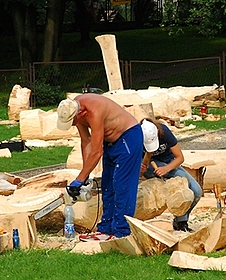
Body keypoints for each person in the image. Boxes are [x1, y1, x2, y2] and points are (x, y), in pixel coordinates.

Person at [56, 94, 143, 241]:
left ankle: (122, 231)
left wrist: (79, 179)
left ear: (81, 113)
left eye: (73, 121)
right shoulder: (73, 108)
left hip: (128, 137)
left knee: (122, 185)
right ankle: (106, 228)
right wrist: (86, 173)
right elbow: (86, 141)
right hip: (110, 141)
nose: (73, 124)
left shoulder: (94, 111)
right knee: (107, 184)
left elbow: (97, 152)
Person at [140, 118, 203, 232]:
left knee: (196, 191)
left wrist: (166, 168)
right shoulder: (136, 136)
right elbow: (139, 166)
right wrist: (141, 168)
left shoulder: (164, 131)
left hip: (169, 163)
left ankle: (181, 221)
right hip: (151, 165)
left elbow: (180, 157)